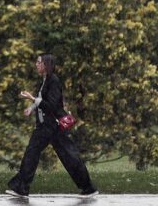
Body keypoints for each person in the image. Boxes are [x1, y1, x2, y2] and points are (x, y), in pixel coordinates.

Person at [6, 53, 98, 198]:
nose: (36, 65)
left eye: (38, 62)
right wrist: (32, 107)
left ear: (46, 65)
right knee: (32, 153)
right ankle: (21, 187)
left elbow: (52, 106)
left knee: (69, 156)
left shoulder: (53, 81)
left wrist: (32, 98)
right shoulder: (45, 80)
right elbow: (42, 101)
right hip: (44, 127)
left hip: (54, 127)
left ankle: (88, 188)